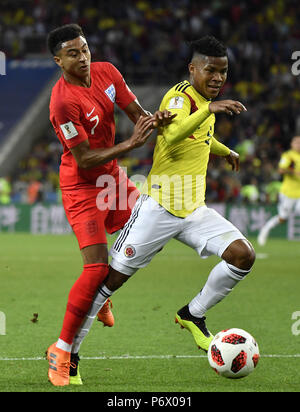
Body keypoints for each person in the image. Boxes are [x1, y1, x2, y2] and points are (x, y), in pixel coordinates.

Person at [70, 35, 256, 383]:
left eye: (223, 71)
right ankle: (71, 354)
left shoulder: (205, 102)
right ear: (192, 69)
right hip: (158, 208)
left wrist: (224, 150)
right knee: (108, 283)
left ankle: (193, 314)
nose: (217, 78)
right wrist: (208, 109)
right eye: (210, 71)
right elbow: (169, 136)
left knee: (242, 255)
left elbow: (200, 137)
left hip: (194, 211)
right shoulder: (180, 96)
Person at [45, 23, 174, 386]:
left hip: (113, 179)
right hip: (82, 187)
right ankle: (62, 350)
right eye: (73, 53)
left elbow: (139, 116)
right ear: (59, 60)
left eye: (85, 48)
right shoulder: (62, 102)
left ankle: (100, 295)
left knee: (154, 228)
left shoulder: (107, 72)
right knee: (95, 269)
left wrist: (158, 120)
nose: (83, 57)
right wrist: (131, 145)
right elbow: (84, 159)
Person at [258, 135, 300, 245]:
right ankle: (265, 230)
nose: (298, 145)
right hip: (288, 193)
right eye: (296, 143)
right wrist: (293, 172)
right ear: (292, 144)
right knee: (283, 218)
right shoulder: (289, 156)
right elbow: (281, 170)